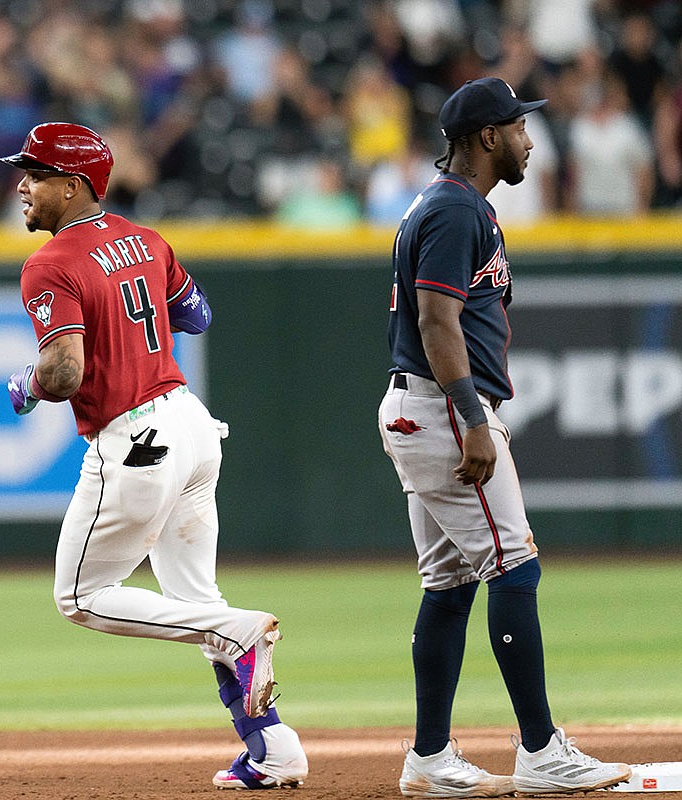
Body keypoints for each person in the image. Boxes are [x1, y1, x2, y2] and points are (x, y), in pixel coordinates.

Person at [2, 122, 308, 791]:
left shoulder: (49, 263)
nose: (22, 184)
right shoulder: (147, 239)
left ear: (75, 185)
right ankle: (273, 749)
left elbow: (61, 374)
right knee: (192, 596)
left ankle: (239, 632)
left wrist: (26, 385)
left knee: (80, 596)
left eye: (36, 173)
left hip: (136, 438)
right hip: (192, 427)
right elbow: (195, 315)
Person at [378, 77, 631, 798]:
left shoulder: (449, 207)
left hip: (419, 407)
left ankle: (429, 759)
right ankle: (541, 750)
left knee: (449, 584)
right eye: (519, 128)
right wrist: (473, 418)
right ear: (487, 137)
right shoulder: (457, 211)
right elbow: (435, 323)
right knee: (515, 568)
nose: (528, 139)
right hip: (441, 409)